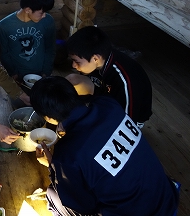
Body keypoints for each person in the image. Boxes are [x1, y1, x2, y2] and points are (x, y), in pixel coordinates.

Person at [31, 76, 179, 216]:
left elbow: (82, 206)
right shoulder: (109, 105)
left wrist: (53, 167)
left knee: (52, 194)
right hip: (166, 198)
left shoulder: (67, 154)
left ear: (48, 118)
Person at [65, 26, 152, 127]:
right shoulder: (97, 61)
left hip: (130, 117)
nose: (73, 65)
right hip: (108, 96)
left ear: (95, 58)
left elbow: (128, 121)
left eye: (77, 61)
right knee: (73, 80)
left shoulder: (125, 79)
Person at [0, 0, 57, 83]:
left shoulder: (48, 21)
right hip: (16, 76)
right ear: (28, 10)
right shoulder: (4, 26)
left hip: (41, 74)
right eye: (41, 13)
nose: (44, 16)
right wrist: (13, 73)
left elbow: (50, 49)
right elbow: (3, 53)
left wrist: (46, 72)